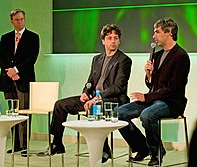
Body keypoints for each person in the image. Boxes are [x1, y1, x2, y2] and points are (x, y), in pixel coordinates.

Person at [42, 24, 132, 163]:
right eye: (109, 38)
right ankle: (57, 143)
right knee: (60, 105)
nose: (113, 41)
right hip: (93, 97)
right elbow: (90, 81)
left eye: (116, 38)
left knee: (94, 107)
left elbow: (118, 87)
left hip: (113, 99)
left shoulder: (124, 60)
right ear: (103, 41)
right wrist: (85, 92)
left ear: (119, 41)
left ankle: (104, 149)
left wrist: (97, 97)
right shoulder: (97, 59)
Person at [116, 18, 190, 166]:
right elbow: (152, 85)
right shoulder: (156, 54)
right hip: (154, 99)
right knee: (118, 113)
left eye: (157, 32)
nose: (153, 36)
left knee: (147, 115)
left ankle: (156, 151)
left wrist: (146, 96)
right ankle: (142, 147)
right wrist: (149, 75)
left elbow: (173, 89)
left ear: (169, 33)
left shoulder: (181, 56)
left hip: (172, 102)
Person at [0, 9, 39, 155]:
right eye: (17, 19)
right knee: (12, 113)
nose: (20, 22)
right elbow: (0, 57)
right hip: (8, 80)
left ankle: (24, 145)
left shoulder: (33, 37)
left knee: (24, 113)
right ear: (12, 21)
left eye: (22, 19)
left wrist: (16, 70)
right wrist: (9, 71)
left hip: (23, 80)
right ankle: (15, 144)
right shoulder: (5, 38)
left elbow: (31, 59)